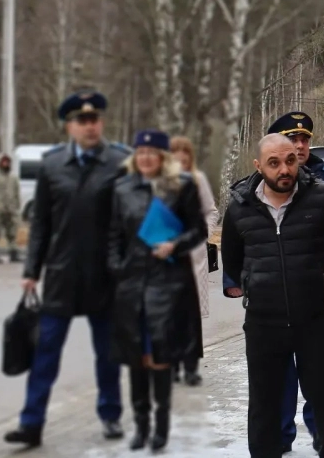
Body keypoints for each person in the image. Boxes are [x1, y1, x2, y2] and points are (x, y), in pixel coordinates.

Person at [6, 91, 131, 448]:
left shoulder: (120, 162)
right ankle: (31, 424)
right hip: (61, 273)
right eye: (82, 121)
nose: (90, 126)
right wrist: (31, 269)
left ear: (101, 122)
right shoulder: (51, 164)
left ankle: (110, 415)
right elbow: (41, 223)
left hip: (104, 276)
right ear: (70, 126)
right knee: (45, 352)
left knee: (107, 353)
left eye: (95, 119)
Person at [221, 133, 324, 458]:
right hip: (263, 324)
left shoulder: (323, 197)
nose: (284, 169)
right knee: (264, 405)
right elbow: (232, 257)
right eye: (274, 163)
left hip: (316, 319)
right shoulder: (239, 207)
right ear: (258, 166)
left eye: (290, 161)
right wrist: (252, 285)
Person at [107, 129, 207, 451]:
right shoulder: (121, 189)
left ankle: (161, 426)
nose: (146, 157)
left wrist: (174, 246)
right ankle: (140, 425)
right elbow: (112, 237)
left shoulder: (182, 187)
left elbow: (198, 230)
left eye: (152, 152)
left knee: (161, 357)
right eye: (141, 152)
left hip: (169, 284)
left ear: (163, 157)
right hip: (132, 284)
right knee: (138, 358)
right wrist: (117, 268)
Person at [169, 135, 218, 386]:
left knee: (190, 314)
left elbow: (211, 211)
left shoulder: (197, 180)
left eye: (183, 153)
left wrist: (203, 236)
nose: (180, 158)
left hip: (191, 256)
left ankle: (189, 366)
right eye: (174, 153)